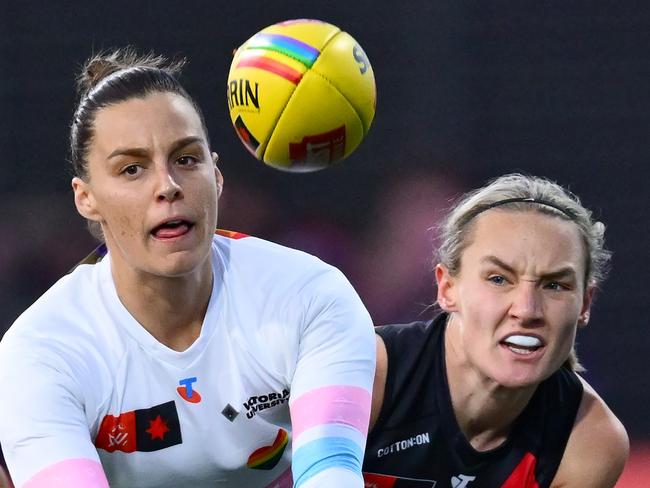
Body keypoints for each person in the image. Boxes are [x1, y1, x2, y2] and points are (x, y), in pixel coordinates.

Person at [0, 48, 375, 488]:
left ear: (215, 177)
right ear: (87, 198)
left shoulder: (310, 297)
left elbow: (330, 475)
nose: (168, 186)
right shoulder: (41, 353)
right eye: (132, 169)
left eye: (186, 159)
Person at [363, 174, 629, 488]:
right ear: (447, 288)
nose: (527, 310)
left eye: (555, 285)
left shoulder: (586, 442)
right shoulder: (366, 374)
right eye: (499, 279)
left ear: (585, 305)